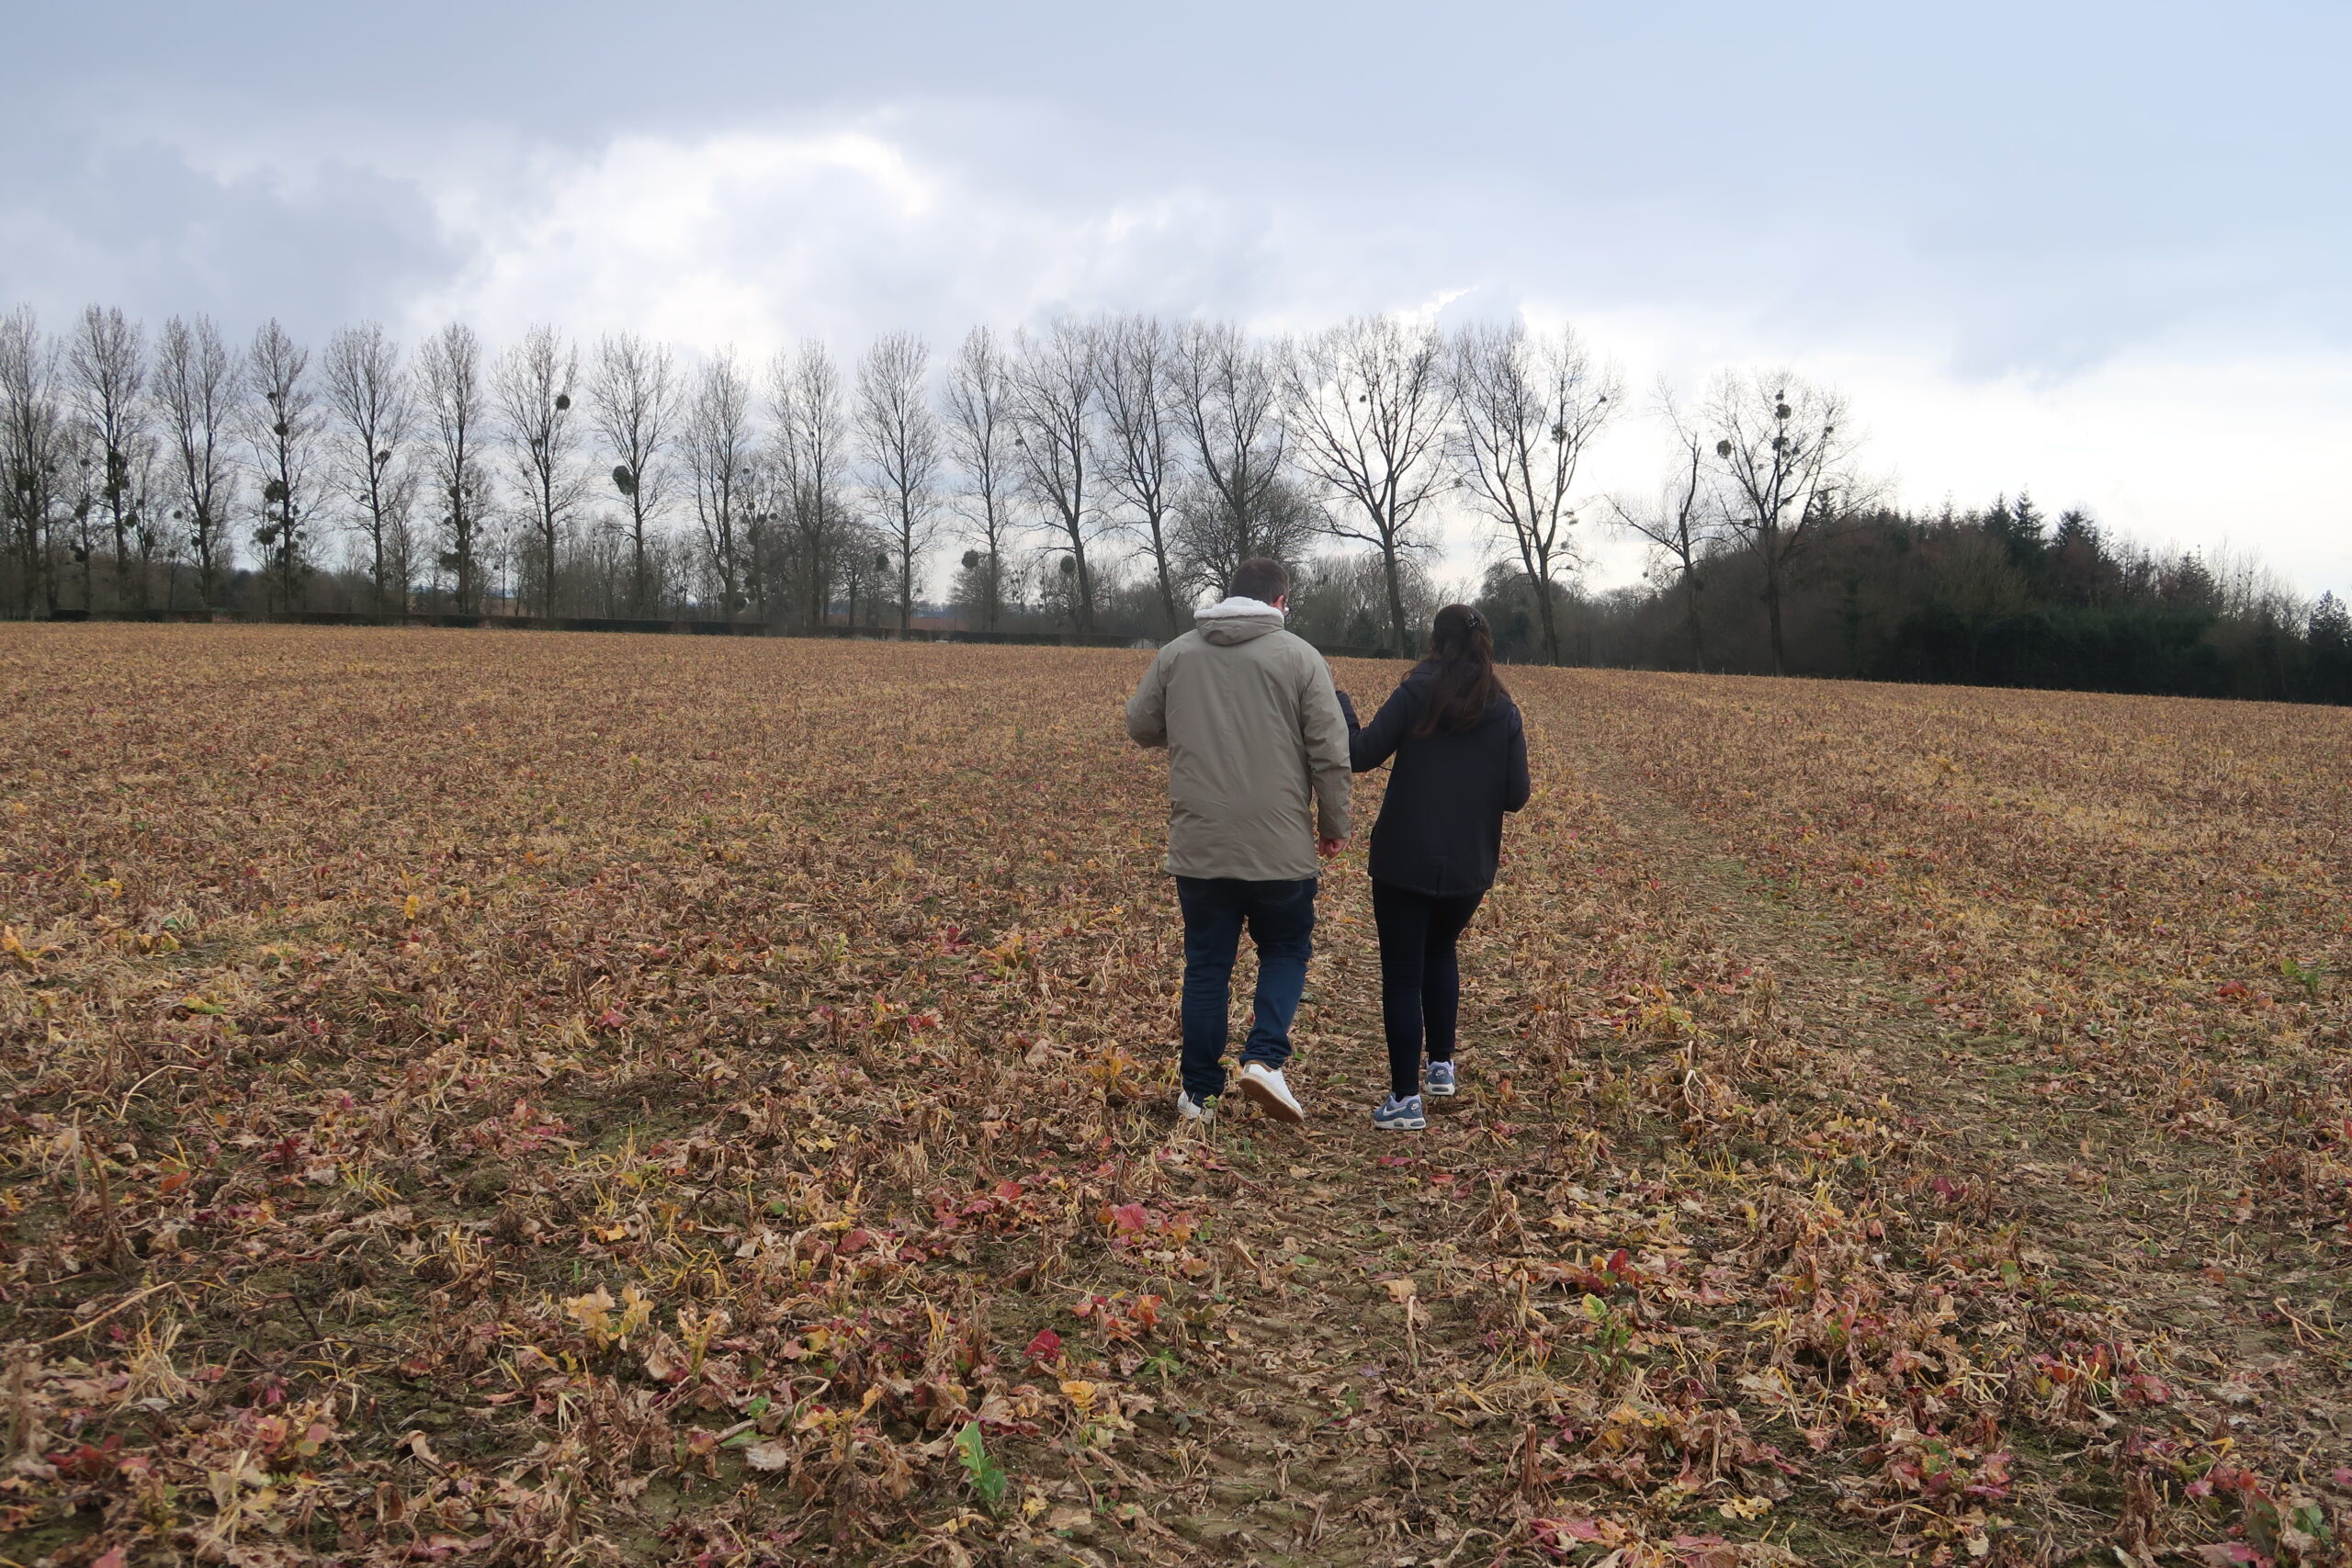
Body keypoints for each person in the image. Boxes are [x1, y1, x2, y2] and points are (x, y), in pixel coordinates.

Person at [1125, 558, 1351, 1124]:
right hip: (1280, 846)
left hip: (1200, 846)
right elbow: (1330, 750)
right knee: (1284, 948)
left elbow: (1140, 725)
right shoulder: (1301, 658)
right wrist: (1333, 826)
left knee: (1207, 966)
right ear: (1280, 601)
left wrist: (1189, 723)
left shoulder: (1177, 653)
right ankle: (1265, 1058)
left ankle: (1198, 1094)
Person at [1339, 604, 1531, 1131]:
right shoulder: (1503, 708)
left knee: (1402, 975)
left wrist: (1342, 706)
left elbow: (1360, 754)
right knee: (1441, 950)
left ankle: (1405, 1100)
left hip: (1404, 858)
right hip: (1470, 864)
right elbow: (1516, 796)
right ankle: (1441, 1066)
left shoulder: (1416, 690)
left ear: (1435, 642)